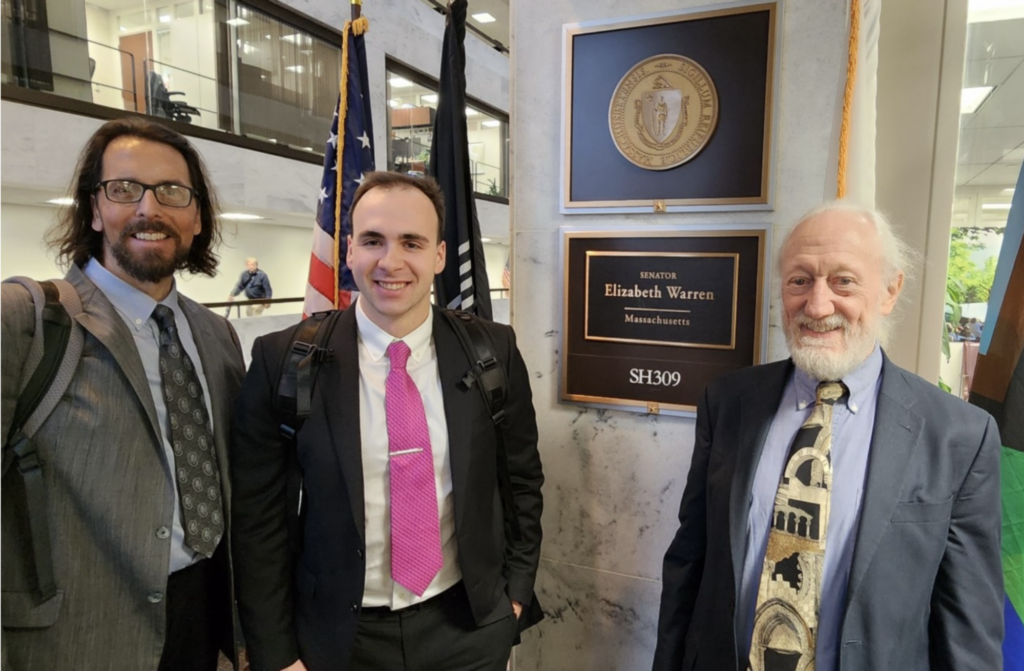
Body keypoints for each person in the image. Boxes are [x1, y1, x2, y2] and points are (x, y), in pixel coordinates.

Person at [653, 202, 1003, 671]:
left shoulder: (958, 434)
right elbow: (689, 563)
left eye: (844, 281)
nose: (817, 306)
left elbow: (968, 624)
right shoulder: (728, 401)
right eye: (800, 280)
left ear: (889, 291)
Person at [231, 172, 544, 671]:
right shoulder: (283, 359)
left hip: (466, 629)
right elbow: (258, 519)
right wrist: (276, 652)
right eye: (374, 241)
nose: (390, 261)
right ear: (350, 250)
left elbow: (521, 480)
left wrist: (514, 595)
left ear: (439, 257)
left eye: (411, 243)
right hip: (339, 638)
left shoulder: (492, 350)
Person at [0, 117, 245, 670]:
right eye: (124, 189)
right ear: (93, 208)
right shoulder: (25, 321)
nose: (148, 209)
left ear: (198, 217)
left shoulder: (217, 336)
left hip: (206, 624)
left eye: (172, 192)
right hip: (77, 640)